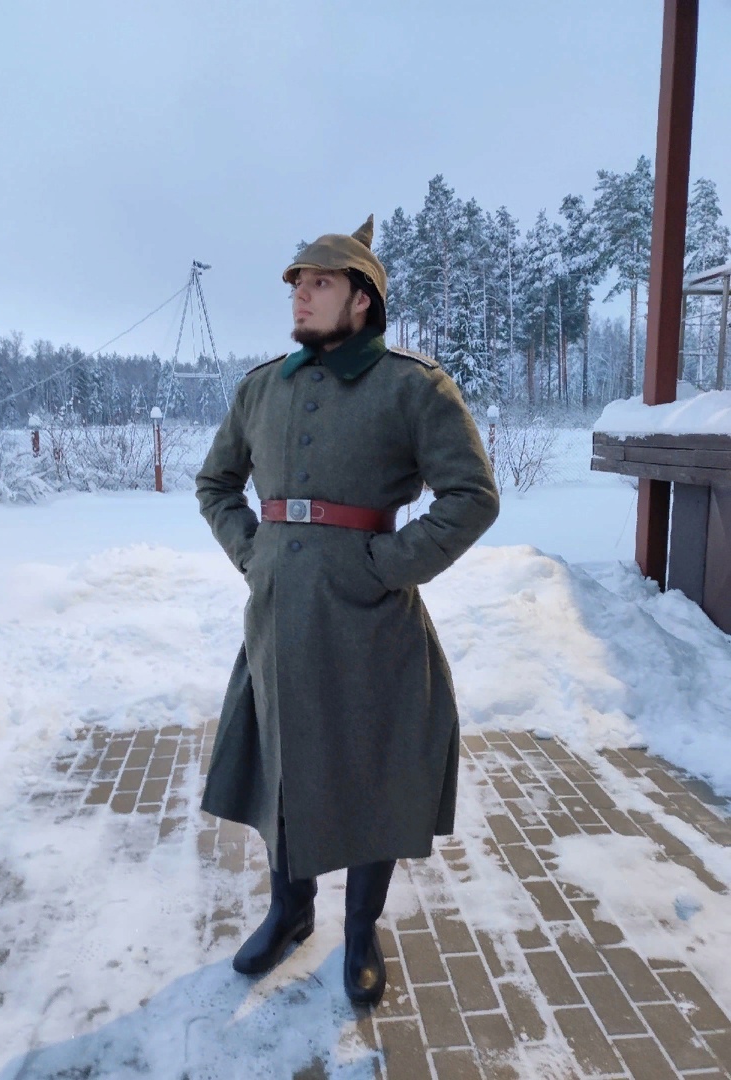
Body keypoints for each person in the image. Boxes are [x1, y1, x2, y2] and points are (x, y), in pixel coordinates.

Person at [195, 215, 499, 1006]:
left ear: (362, 300)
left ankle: (360, 930)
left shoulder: (413, 386)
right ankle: (290, 911)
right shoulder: (262, 387)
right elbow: (215, 484)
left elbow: (471, 496)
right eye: (296, 284)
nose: (301, 296)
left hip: (371, 617)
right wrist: (252, 552)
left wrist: (385, 565)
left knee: (377, 765)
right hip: (278, 615)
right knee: (281, 763)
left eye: (320, 283)